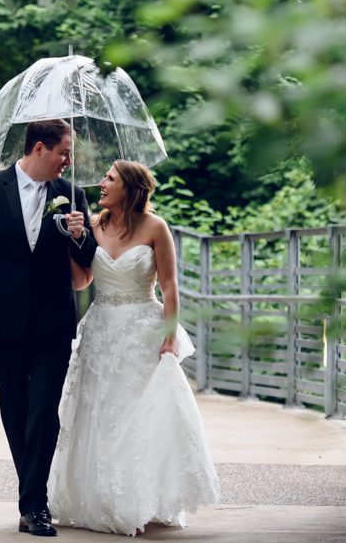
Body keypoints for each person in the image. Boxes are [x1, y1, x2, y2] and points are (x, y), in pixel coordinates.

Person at [47, 160, 220, 536]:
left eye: (110, 178)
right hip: (101, 330)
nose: (101, 183)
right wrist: (72, 242)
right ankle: (104, 500)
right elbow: (81, 282)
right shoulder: (92, 224)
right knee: (100, 414)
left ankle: (142, 499)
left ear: (130, 187)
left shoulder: (156, 227)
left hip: (142, 329)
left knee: (139, 416)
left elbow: (170, 286)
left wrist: (170, 336)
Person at [0, 119, 97, 538]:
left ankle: (35, 507)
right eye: (63, 152)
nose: (68, 161)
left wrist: (79, 233)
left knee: (43, 412)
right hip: (3, 318)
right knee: (14, 410)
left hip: (53, 319)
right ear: (38, 148)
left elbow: (89, 260)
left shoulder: (72, 195)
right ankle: (31, 495)